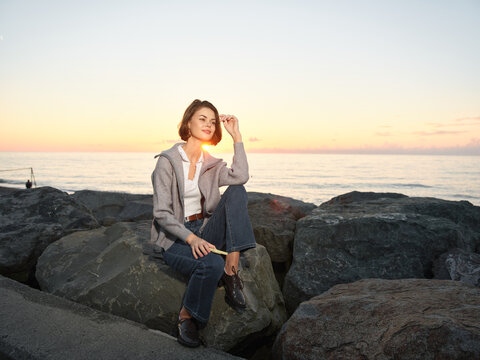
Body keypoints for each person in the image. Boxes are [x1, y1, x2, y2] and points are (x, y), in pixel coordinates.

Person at [150, 99, 256, 347]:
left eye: (212, 120)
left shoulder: (212, 164)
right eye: (202, 119)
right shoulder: (167, 162)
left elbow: (240, 176)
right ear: (188, 122)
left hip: (205, 228)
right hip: (176, 237)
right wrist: (192, 239)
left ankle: (231, 269)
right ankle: (187, 316)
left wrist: (237, 137)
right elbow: (162, 213)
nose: (208, 124)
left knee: (237, 190)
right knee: (209, 264)